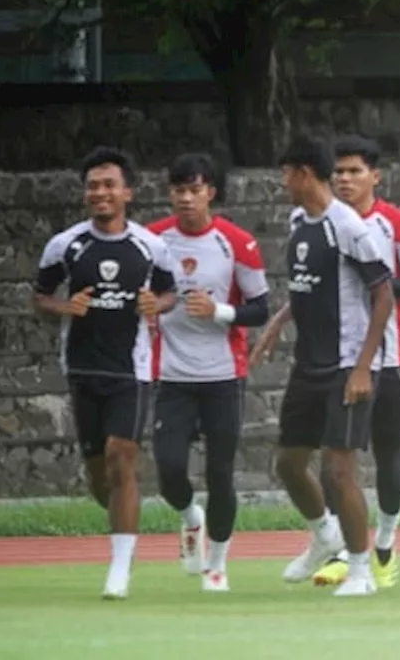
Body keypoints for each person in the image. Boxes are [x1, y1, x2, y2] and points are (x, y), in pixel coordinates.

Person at [32, 147, 179, 599]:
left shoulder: (149, 246)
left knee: (122, 455)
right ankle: (123, 529)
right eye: (93, 185)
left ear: (127, 192)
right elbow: (39, 297)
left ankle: (119, 568)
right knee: (100, 475)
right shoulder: (66, 245)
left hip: (129, 370)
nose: (100, 192)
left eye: (109, 184)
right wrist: (64, 306)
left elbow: (170, 292)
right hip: (81, 366)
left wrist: (159, 304)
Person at [303, 136, 400, 588]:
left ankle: (386, 545)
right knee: (336, 458)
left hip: (392, 358)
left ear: (376, 176)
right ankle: (342, 549)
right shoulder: (317, 222)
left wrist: (371, 281)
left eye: (355, 171)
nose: (345, 179)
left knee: (389, 452)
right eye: (338, 172)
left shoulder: (397, 224)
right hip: (338, 359)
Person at [273, 135, 394, 597]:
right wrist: (277, 323)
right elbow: (309, 285)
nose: (282, 182)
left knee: (338, 470)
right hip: (310, 362)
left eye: (286, 173)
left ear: (304, 173)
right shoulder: (298, 220)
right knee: (288, 463)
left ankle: (361, 569)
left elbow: (382, 294)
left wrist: (364, 367)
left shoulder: (349, 228)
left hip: (348, 363)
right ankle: (325, 535)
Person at [148, 153, 270, 592]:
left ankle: (217, 563)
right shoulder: (153, 239)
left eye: (194, 190)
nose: (185, 199)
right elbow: (135, 290)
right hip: (172, 374)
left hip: (222, 375)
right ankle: (188, 516)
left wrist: (218, 310)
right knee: (168, 467)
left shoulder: (236, 242)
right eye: (178, 190)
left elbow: (260, 308)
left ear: (210, 193)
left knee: (220, 473)